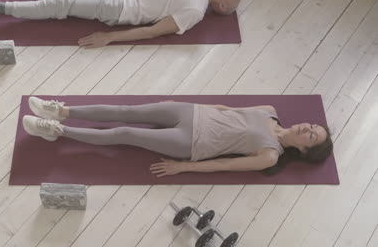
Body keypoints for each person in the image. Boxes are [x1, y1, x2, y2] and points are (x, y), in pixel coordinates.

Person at [22, 97, 334, 177]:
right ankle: (62, 111)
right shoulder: (269, 110)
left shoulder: (270, 154)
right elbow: (227, 108)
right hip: (190, 112)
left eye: (311, 136)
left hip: (192, 143)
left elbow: (224, 166)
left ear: (304, 151)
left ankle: (57, 131)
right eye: (312, 126)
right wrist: (187, 105)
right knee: (126, 111)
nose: (306, 129)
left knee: (125, 133)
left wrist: (184, 168)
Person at [0, 0, 241, 48]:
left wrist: (110, 37)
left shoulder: (196, 10)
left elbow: (155, 31)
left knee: (59, 3)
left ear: (224, 7)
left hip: (119, 5)